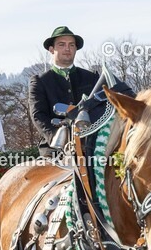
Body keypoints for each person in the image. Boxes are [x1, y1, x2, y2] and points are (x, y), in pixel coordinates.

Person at [28, 26, 99, 157]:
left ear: (75, 49)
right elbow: (38, 115)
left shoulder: (93, 78)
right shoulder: (40, 81)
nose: (67, 48)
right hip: (54, 149)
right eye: (62, 45)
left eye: (71, 45)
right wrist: (57, 139)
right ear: (51, 49)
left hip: (92, 146)